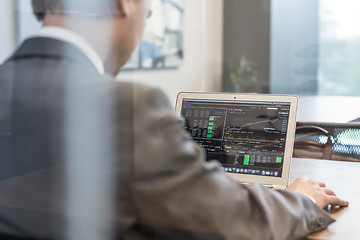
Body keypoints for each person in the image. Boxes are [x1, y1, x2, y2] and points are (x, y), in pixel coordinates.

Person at [0, 0, 348, 239]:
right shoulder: (128, 107)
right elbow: (233, 222)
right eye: (148, 14)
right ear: (124, 4)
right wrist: (301, 199)